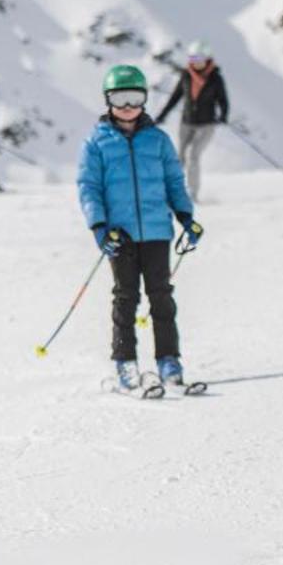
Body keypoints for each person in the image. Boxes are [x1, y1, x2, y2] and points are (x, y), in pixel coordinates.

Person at [76, 65, 203, 393]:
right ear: (108, 100)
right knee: (125, 296)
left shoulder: (158, 140)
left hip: (158, 231)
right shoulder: (96, 142)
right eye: (120, 98)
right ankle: (125, 364)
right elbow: (89, 186)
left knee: (161, 297)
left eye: (135, 97)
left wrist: (186, 217)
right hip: (121, 234)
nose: (128, 105)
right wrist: (99, 226)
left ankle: (168, 361)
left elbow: (174, 181)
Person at [153, 41, 229, 198]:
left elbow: (223, 100)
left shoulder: (215, 78)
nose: (196, 61)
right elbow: (175, 97)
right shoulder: (186, 75)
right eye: (193, 57)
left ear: (207, 58)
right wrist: (162, 115)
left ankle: (193, 194)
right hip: (187, 123)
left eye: (199, 57)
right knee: (180, 156)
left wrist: (223, 115)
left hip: (206, 124)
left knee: (193, 156)